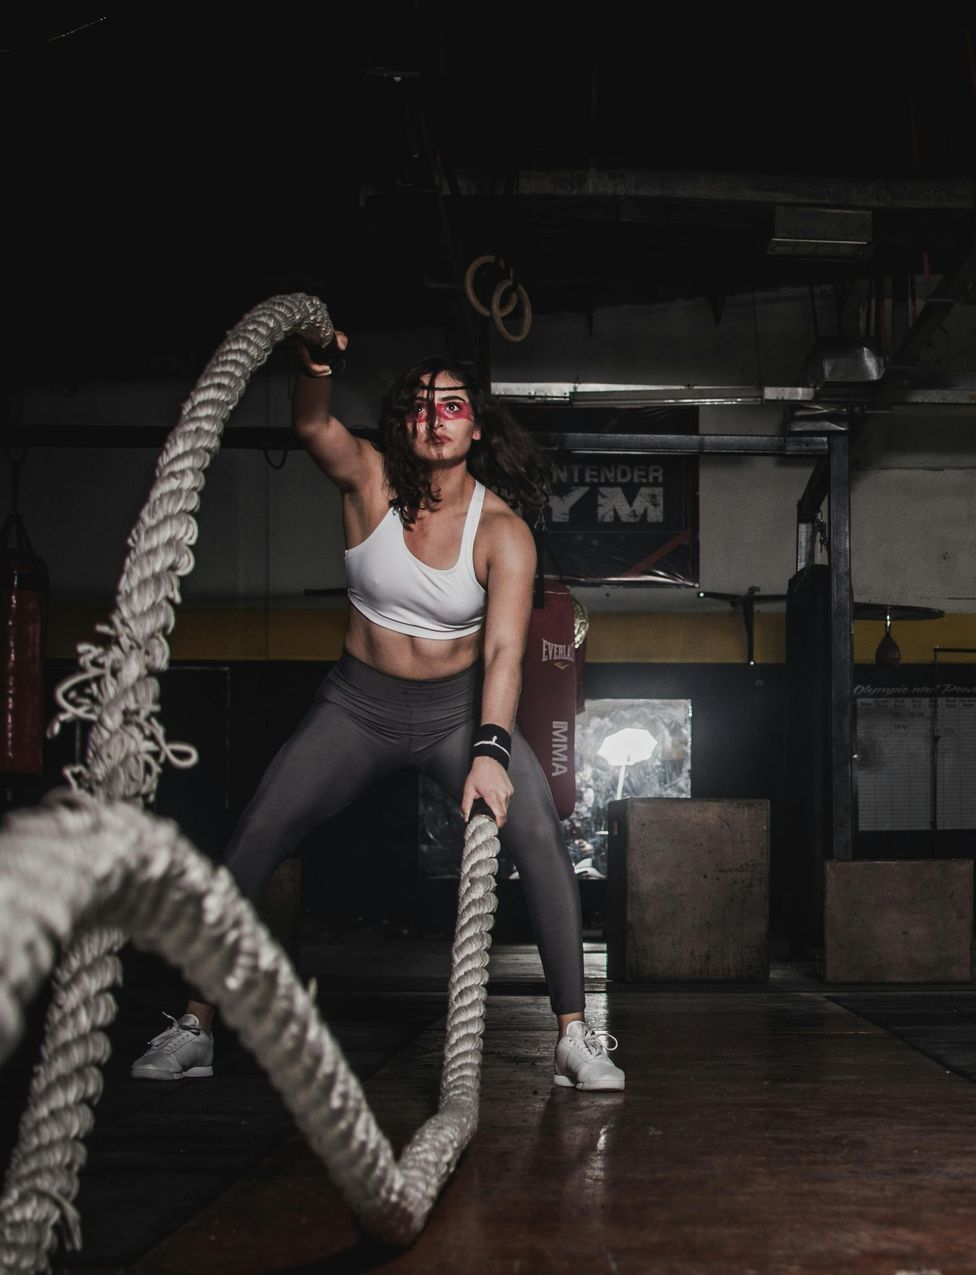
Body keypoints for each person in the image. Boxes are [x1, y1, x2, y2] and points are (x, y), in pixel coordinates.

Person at [130, 331, 623, 1092]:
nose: (435, 418)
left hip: (459, 712)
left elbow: (503, 656)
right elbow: (312, 425)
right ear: (404, 423)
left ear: (475, 426)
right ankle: (196, 1024)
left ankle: (573, 1035)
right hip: (357, 705)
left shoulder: (503, 532)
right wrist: (314, 365)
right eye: (420, 406)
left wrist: (491, 748)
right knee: (259, 828)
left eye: (452, 405)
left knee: (540, 835)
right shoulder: (368, 479)